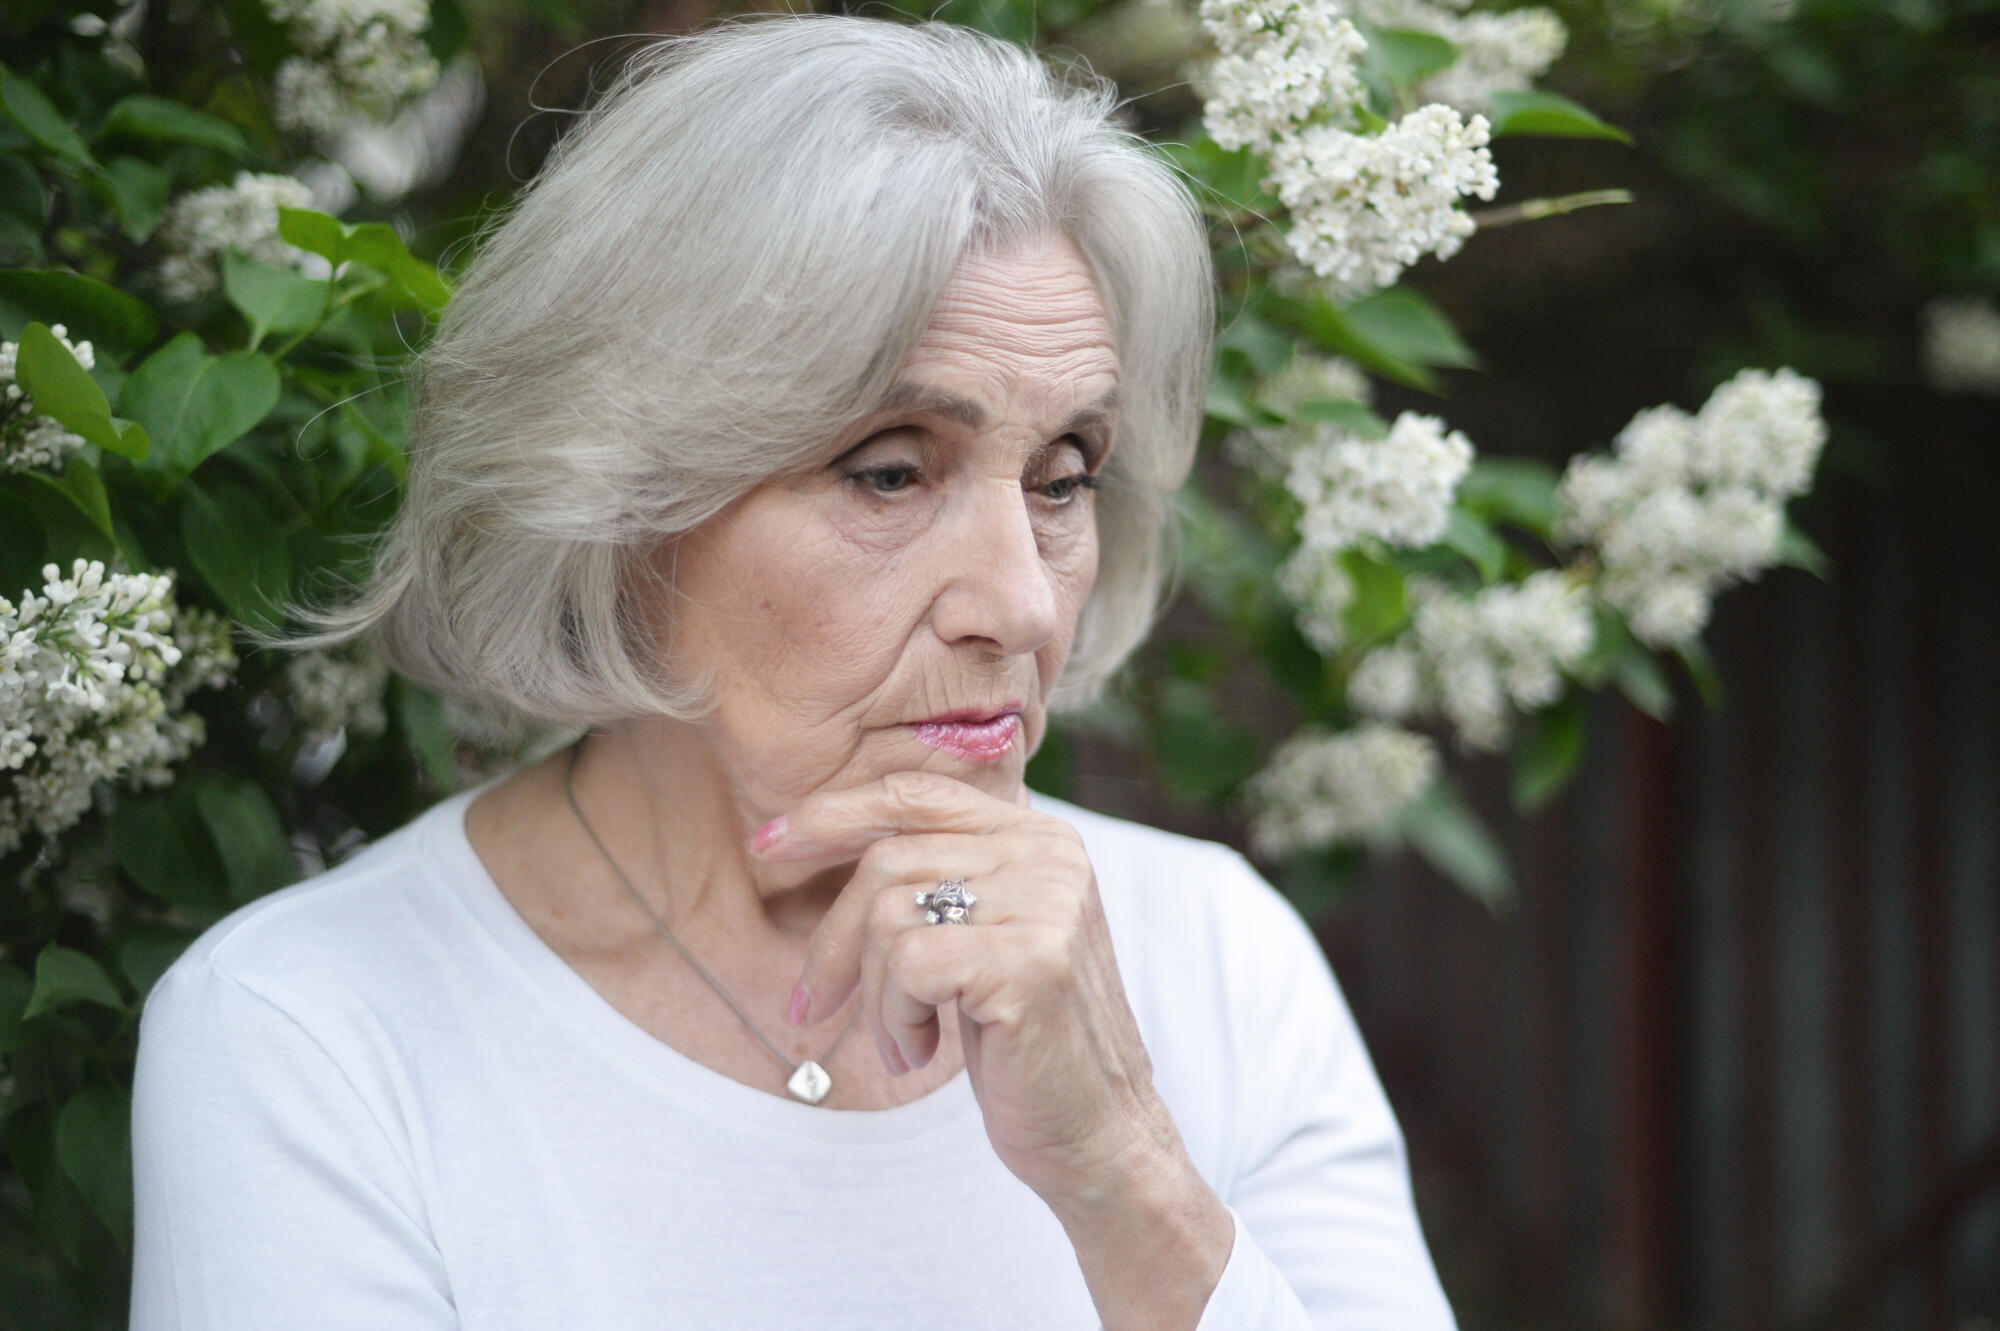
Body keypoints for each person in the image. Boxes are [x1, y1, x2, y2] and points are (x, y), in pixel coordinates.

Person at [128, 15, 1456, 1329]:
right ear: (621, 501)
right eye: (889, 470)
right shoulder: (311, 1035)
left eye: (1063, 477)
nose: (1018, 601)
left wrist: (1123, 1171)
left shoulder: (1214, 958)